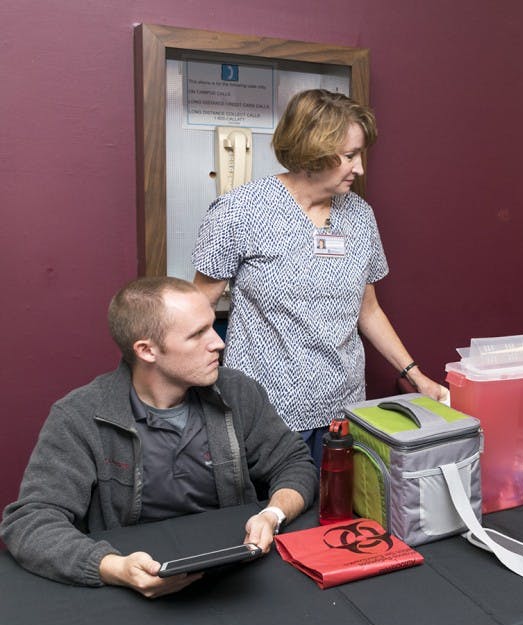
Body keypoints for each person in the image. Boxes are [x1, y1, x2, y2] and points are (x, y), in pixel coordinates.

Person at [1, 277, 317, 597]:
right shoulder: (79, 416)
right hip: (132, 582)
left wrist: (272, 514)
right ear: (147, 350)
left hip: (235, 574)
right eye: (197, 334)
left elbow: (294, 463)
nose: (218, 343)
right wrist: (113, 568)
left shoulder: (237, 391)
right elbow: (30, 521)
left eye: (212, 326)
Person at [191, 89, 446, 466]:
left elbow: (369, 311)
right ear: (313, 150)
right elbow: (196, 310)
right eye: (349, 155)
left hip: (342, 410)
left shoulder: (359, 216)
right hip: (265, 414)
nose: (359, 168)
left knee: (336, 502)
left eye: (360, 155)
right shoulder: (240, 211)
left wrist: (416, 375)